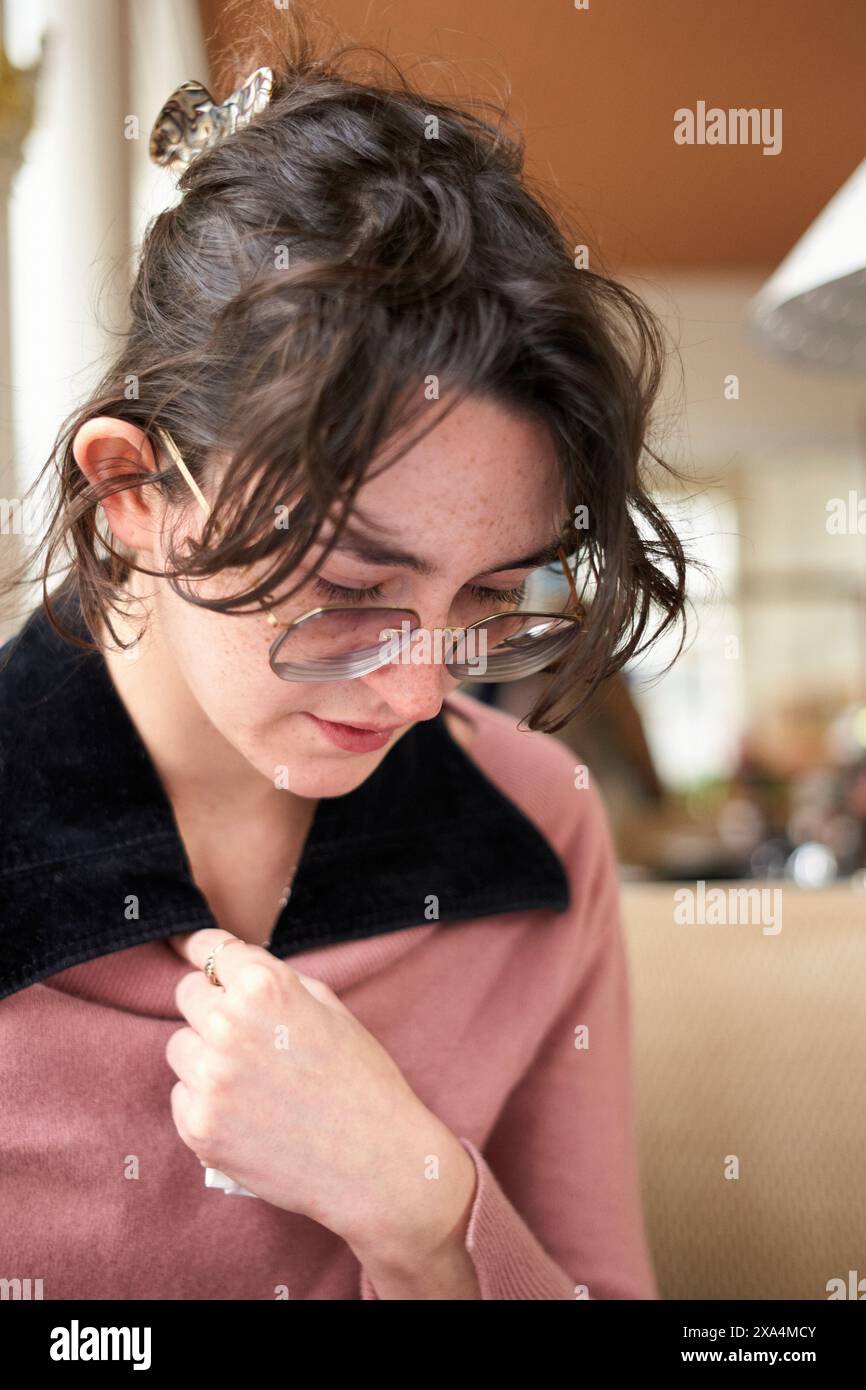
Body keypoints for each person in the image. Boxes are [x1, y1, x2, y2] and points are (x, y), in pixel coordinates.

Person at [0, 8, 687, 1300]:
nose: (424, 688)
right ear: (133, 490)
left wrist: (424, 1208)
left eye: (491, 595)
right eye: (350, 586)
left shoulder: (540, 828)